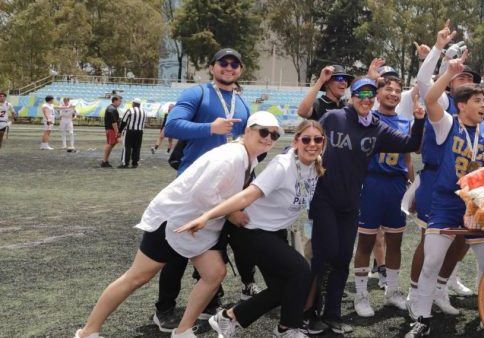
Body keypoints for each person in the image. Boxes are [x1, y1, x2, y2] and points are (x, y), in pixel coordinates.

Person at [73, 111, 283, 338]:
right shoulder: (232, 156)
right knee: (137, 277)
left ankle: (182, 331)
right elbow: (202, 192)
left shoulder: (247, 156)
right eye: (264, 132)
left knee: (213, 273)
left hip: (198, 224)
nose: (268, 138)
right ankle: (88, 331)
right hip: (174, 219)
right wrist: (232, 213)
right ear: (248, 131)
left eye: (275, 135)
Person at [174, 119, 324, 338]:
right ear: (295, 141)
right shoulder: (282, 166)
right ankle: (286, 329)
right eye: (307, 139)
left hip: (275, 232)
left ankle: (228, 317)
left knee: (284, 287)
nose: (312, 144)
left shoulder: (316, 165)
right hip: (251, 231)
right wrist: (208, 215)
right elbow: (246, 195)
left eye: (318, 139)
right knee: (301, 271)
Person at [306, 77, 425, 334]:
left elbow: (411, 145)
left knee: (342, 258)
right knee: (324, 256)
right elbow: (308, 141)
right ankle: (310, 313)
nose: (366, 99)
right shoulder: (334, 117)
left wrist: (419, 119)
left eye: (370, 95)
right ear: (352, 96)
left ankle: (333, 315)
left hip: (350, 203)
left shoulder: (377, 126)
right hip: (324, 199)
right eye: (361, 94)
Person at [152, 48, 253, 332]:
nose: (229, 67)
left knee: (213, 248)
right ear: (212, 67)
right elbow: (172, 126)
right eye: (224, 63)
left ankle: (208, 302)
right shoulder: (197, 94)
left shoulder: (243, 105)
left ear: (241, 70)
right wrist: (211, 128)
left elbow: (250, 143)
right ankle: (164, 309)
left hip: (223, 192)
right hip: (191, 188)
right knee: (176, 250)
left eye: (235, 64)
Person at [405, 55, 484, 338]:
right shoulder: (446, 124)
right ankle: (422, 318)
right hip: (447, 201)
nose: (483, 105)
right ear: (461, 105)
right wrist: (448, 73)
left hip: (477, 203)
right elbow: (430, 97)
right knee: (432, 260)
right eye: (477, 101)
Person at [353, 74, 420, 316]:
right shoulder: (367, 118)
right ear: (378, 93)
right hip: (371, 182)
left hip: (396, 185)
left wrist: (412, 188)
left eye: (397, 90)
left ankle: (392, 292)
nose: (392, 93)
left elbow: (408, 158)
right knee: (366, 241)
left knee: (396, 242)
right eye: (388, 89)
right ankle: (360, 296)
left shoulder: (404, 122)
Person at [118, 99, 147, 169]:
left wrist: (119, 131)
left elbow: (124, 121)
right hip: (140, 132)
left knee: (127, 146)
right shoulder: (144, 112)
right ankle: (135, 163)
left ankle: (125, 163)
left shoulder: (130, 110)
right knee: (137, 147)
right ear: (139, 104)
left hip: (130, 131)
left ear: (133, 103)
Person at [100, 97, 122, 169]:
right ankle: (104, 161)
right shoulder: (112, 109)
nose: (120, 102)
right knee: (110, 144)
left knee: (111, 144)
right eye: (119, 101)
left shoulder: (110, 108)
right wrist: (117, 133)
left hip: (110, 129)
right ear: (115, 100)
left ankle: (105, 161)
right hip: (111, 129)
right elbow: (114, 123)